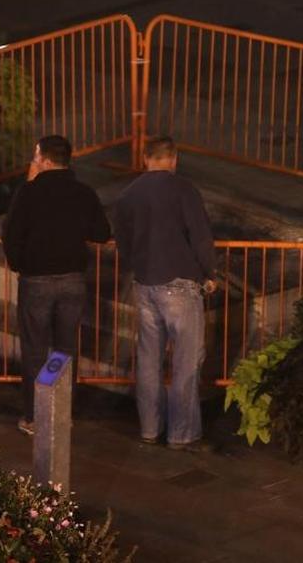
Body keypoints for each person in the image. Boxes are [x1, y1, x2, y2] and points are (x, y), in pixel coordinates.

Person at [1, 135, 111, 436]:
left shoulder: (28, 193)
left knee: (35, 349)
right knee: (63, 349)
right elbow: (101, 232)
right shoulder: (84, 193)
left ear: (46, 160)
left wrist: (19, 264)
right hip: (72, 280)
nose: (33, 162)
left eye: (36, 157)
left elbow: (10, 235)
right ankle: (60, 411)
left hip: (36, 280)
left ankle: (37, 416)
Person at [114, 136, 217, 452]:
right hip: (180, 283)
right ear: (174, 159)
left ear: (145, 158)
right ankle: (181, 433)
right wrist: (209, 273)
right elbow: (200, 235)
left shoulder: (128, 194)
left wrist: (138, 265)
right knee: (186, 360)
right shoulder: (184, 189)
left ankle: (149, 428)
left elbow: (123, 240)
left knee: (148, 359)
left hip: (144, 283)